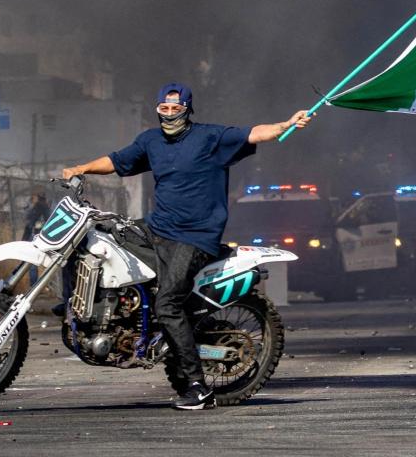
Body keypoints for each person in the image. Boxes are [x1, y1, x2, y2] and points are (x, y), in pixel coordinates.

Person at [60, 83, 313, 411]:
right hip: (156, 229)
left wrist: (286, 124)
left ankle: (198, 387)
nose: (168, 114)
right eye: (163, 109)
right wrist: (81, 169)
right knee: (103, 243)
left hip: (194, 237)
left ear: (187, 109)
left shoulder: (210, 138)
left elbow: (254, 134)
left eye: (174, 109)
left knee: (168, 303)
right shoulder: (151, 141)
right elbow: (117, 161)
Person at [22, 192, 51, 286]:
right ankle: (37, 284)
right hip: (40, 237)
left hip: (36, 236)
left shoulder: (39, 208)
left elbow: (29, 221)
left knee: (33, 262)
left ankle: (34, 284)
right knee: (34, 262)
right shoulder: (43, 208)